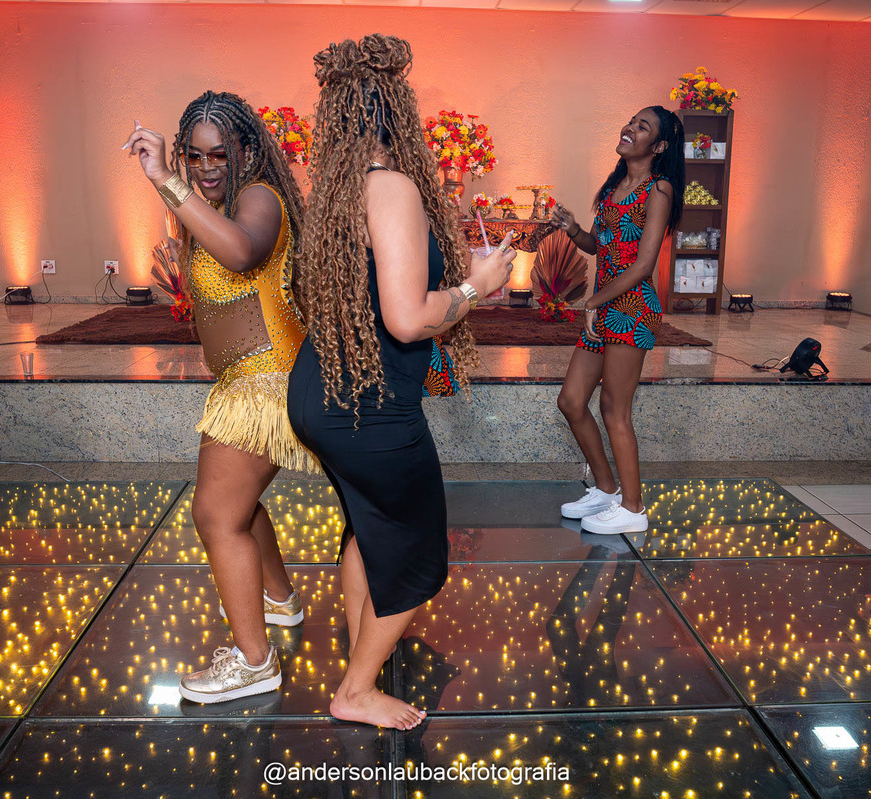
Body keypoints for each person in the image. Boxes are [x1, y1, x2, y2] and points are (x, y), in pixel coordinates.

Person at [288, 35, 516, 730]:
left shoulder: (338, 190)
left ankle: (366, 645)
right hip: (370, 409)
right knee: (417, 555)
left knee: (367, 529)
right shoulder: (390, 187)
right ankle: (356, 690)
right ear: (398, 109)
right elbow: (408, 318)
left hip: (324, 392)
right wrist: (475, 287)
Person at [123, 90, 319, 704]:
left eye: (220, 154)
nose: (207, 167)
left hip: (266, 382)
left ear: (247, 150)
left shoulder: (259, 196)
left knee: (214, 515)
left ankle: (255, 664)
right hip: (244, 379)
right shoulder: (217, 203)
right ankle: (279, 601)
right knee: (237, 505)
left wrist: (164, 178)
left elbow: (239, 253)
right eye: (194, 155)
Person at [551, 106, 684, 535]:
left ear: (658, 146)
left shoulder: (659, 189)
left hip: (631, 309)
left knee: (614, 409)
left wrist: (592, 302)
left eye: (643, 127)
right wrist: (573, 229)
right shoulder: (613, 187)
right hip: (604, 307)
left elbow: (643, 265)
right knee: (572, 401)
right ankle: (607, 490)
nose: (630, 128)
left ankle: (633, 509)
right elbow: (600, 245)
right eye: (631, 121)